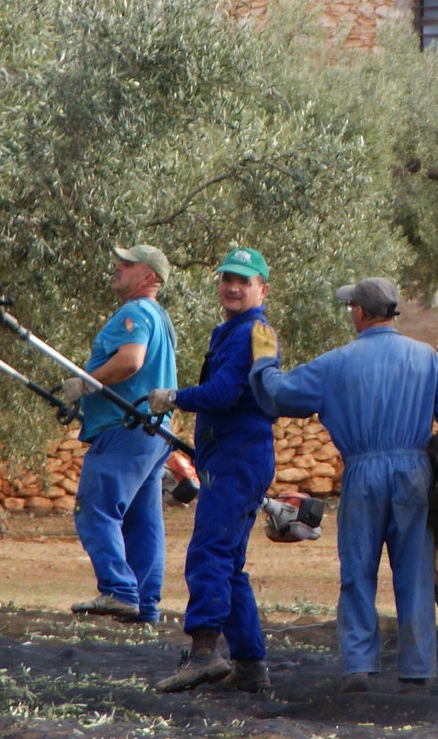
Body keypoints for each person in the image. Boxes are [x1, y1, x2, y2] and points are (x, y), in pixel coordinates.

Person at [249, 278, 438, 694]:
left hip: (363, 472)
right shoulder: (427, 358)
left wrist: (264, 360)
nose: (350, 313)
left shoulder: (337, 363)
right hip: (414, 472)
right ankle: (418, 671)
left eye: (351, 308)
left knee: (358, 570)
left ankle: (359, 668)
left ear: (362, 313)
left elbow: (277, 395)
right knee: (414, 573)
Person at [148, 247, 277, 693]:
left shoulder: (250, 333)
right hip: (235, 456)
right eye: (228, 279)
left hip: (238, 457)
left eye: (245, 281)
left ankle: (203, 653)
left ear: (263, 289)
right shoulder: (240, 332)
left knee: (208, 552)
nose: (234, 287)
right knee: (230, 564)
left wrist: (175, 397)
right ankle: (250, 664)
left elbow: (223, 394)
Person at [62, 245, 178, 623]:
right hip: (153, 434)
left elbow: (131, 360)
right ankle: (145, 605)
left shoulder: (136, 312)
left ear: (149, 278)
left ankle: (118, 590)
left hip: (125, 430)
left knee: (95, 508)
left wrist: (85, 384)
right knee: (143, 521)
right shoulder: (160, 317)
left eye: (127, 264)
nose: (118, 267)